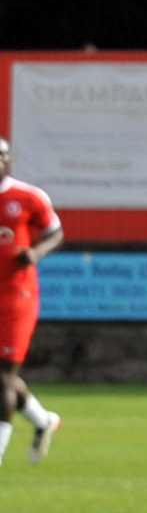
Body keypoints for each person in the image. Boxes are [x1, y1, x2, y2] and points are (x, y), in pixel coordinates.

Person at [0, 135, 66, 468]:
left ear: (9, 160)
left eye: (1, 155)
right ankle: (43, 421)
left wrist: (36, 253)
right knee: (3, 378)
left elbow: (56, 232)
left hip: (16, 297)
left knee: (2, 377)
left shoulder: (27, 197)